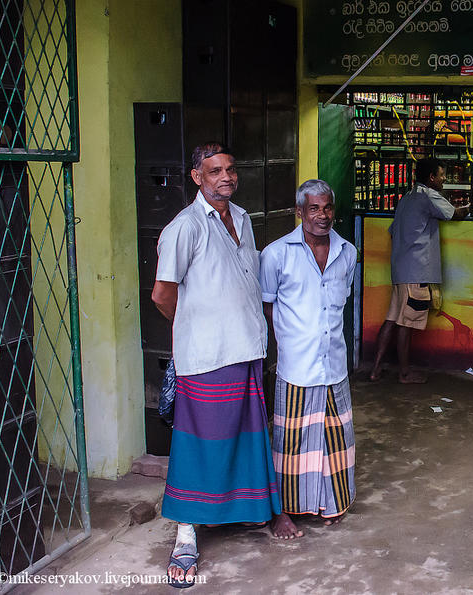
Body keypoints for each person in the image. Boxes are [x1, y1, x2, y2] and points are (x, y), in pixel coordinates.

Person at [152, 142, 279, 587]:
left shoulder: (241, 217)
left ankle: (239, 512)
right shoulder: (184, 228)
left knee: (243, 436)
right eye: (214, 171)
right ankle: (186, 535)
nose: (225, 176)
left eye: (230, 169)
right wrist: (193, 325)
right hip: (207, 355)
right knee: (200, 443)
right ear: (196, 177)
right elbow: (163, 295)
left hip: (245, 348)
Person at [259, 179, 358, 540]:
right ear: (299, 212)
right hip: (297, 365)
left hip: (334, 363)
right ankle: (282, 512)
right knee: (290, 444)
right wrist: (291, 339)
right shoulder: (275, 254)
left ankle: (329, 503)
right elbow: (268, 307)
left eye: (328, 207)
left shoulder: (347, 252)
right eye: (314, 208)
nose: (323, 215)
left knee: (334, 438)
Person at [369, 157, 469, 384]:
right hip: (416, 272)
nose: (444, 179)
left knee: (392, 319)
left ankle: (375, 369)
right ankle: (404, 374)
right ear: (431, 177)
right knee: (407, 323)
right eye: (442, 175)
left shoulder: (406, 198)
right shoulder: (428, 195)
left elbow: (393, 230)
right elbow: (455, 214)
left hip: (401, 270)